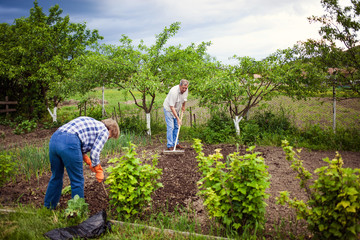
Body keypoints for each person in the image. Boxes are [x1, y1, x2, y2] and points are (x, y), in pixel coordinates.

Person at [44, 116, 120, 209]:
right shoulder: (104, 131)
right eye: (110, 137)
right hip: (69, 142)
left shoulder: (92, 123)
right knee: (77, 180)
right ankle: (77, 211)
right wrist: (98, 169)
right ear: (110, 129)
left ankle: (48, 207)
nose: (108, 139)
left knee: (56, 176)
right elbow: (95, 153)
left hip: (54, 139)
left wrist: (88, 161)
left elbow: (79, 141)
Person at [163, 79, 189, 150]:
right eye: (183, 88)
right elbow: (171, 107)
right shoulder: (173, 92)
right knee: (171, 127)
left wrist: (183, 106)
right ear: (179, 85)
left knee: (177, 127)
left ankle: (176, 143)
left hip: (176, 109)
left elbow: (184, 99)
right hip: (169, 109)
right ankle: (170, 145)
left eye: (185, 88)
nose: (184, 89)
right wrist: (178, 118)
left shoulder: (186, 90)